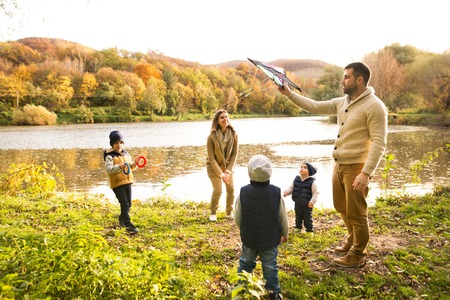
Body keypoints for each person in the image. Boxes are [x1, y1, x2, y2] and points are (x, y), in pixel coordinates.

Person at [278, 62, 388, 268]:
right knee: (341, 207)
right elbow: (314, 106)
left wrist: (366, 173)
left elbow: (380, 143)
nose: (342, 80)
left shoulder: (375, 106)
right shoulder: (343, 102)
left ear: (359, 80)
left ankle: (358, 253)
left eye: (346, 77)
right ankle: (352, 238)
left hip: (357, 166)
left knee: (357, 212)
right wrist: (289, 94)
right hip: (339, 165)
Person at [234, 155, 288, 300]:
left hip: (250, 238)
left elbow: (238, 215)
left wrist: (242, 228)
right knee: (270, 266)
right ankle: (273, 292)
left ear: (249, 172)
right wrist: (285, 233)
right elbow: (282, 216)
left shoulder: (243, 192)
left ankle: (242, 286)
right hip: (270, 240)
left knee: (246, 262)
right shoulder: (276, 192)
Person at [103, 130, 139, 235]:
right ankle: (128, 225)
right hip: (117, 183)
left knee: (129, 204)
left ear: (123, 143)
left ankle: (122, 220)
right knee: (124, 203)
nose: (119, 145)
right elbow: (109, 170)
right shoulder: (110, 156)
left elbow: (130, 167)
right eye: (116, 143)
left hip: (128, 182)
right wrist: (119, 166)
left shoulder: (126, 154)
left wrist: (135, 164)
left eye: (120, 143)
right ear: (112, 145)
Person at [206, 109, 239, 221]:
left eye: (226, 117)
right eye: (222, 117)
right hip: (213, 167)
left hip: (227, 167)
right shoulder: (211, 136)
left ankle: (229, 213)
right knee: (218, 190)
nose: (225, 119)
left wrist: (228, 171)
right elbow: (211, 158)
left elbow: (235, 154)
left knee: (231, 189)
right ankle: (213, 213)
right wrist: (220, 173)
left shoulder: (234, 134)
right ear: (217, 121)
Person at [283, 162, 319, 233]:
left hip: (307, 204)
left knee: (307, 218)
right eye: (301, 167)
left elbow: (315, 193)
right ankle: (298, 227)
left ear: (310, 172)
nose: (302, 168)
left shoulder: (312, 182)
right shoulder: (297, 179)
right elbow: (292, 188)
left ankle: (309, 230)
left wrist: (312, 201)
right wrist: (287, 192)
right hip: (297, 202)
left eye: (305, 168)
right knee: (298, 216)